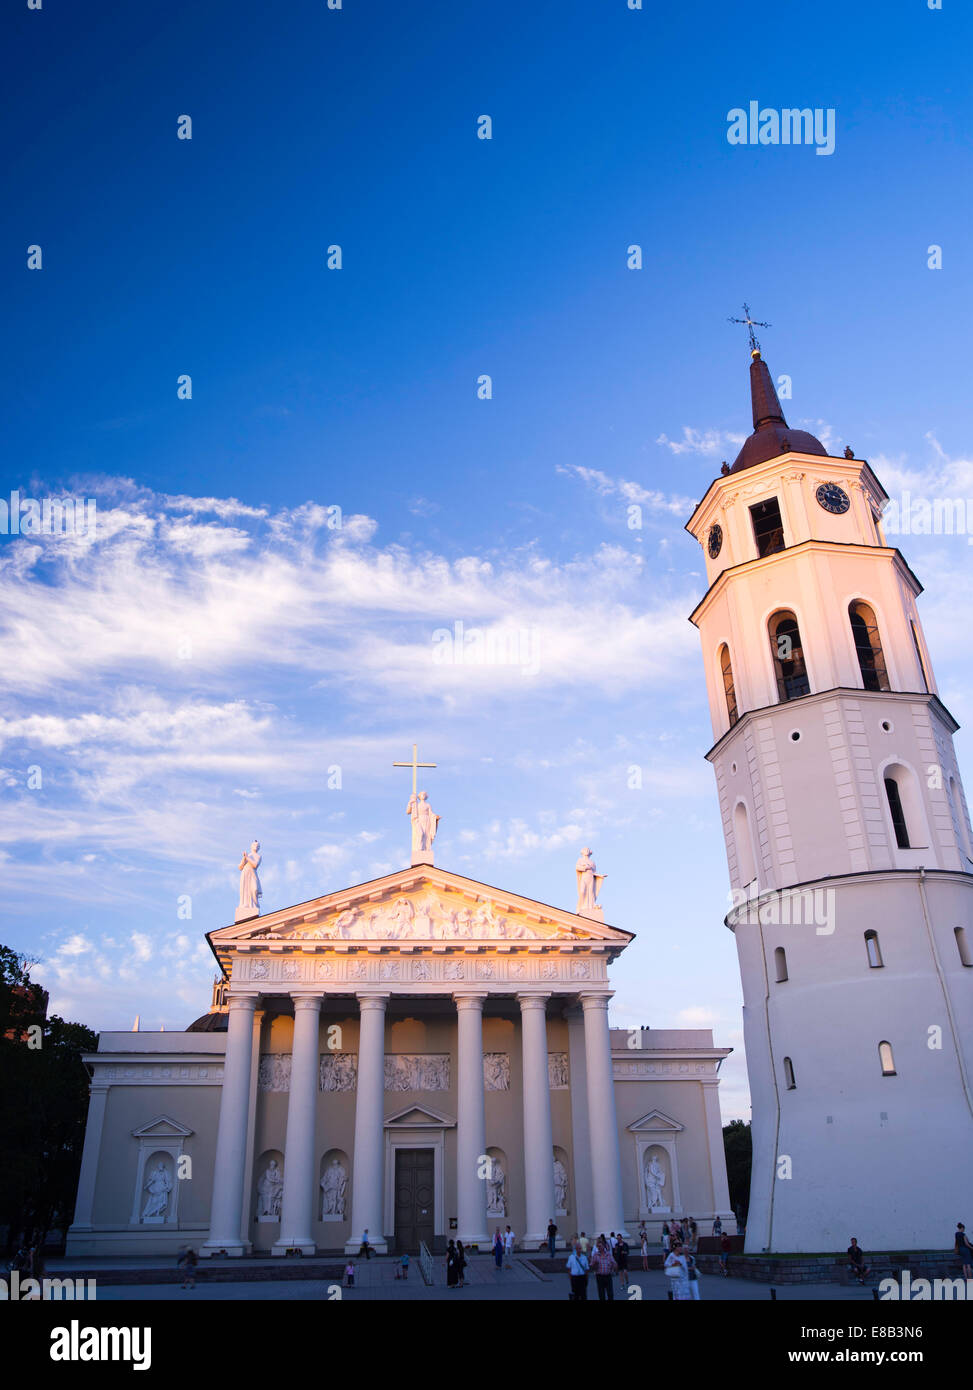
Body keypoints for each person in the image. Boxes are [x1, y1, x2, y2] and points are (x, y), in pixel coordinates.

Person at [590, 1235, 618, 1301]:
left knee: (610, 1294)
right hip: (599, 1276)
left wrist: (614, 1267)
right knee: (601, 1294)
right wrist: (594, 1265)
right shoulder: (596, 1255)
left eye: (600, 1246)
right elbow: (591, 1265)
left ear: (603, 1246)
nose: (599, 1247)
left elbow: (614, 1263)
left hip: (608, 1276)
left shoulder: (608, 1254)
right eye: (598, 1246)